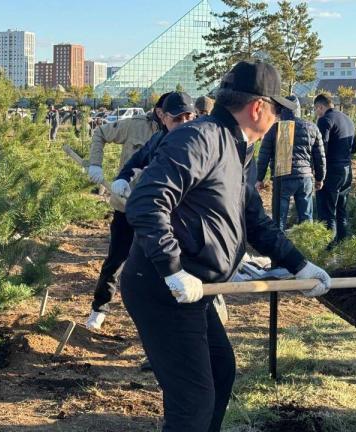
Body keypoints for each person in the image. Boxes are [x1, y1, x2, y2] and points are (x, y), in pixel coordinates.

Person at [120, 60, 331, 431]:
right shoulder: (199, 138)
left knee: (221, 371)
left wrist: (300, 265)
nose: (278, 119)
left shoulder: (235, 148)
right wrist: (172, 269)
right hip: (161, 287)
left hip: (196, 289)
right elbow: (146, 202)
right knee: (194, 400)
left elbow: (254, 220)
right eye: (278, 110)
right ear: (258, 108)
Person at [83, 94, 167, 330]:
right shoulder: (135, 126)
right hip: (127, 208)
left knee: (160, 265)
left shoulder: (185, 134)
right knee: (116, 260)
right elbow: (100, 133)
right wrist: (95, 164)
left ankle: (157, 317)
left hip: (162, 214)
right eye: (171, 115)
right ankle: (99, 308)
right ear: (160, 113)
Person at [256, 95, 326, 231]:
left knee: (279, 218)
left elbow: (263, 156)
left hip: (283, 177)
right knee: (306, 218)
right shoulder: (311, 127)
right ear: (298, 109)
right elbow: (320, 157)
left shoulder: (275, 128)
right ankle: (307, 247)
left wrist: (259, 178)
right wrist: (320, 178)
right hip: (305, 177)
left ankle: (279, 248)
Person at [314, 93, 356, 245]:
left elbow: (321, 149)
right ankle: (343, 245)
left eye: (315, 109)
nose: (316, 113)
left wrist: (317, 173)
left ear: (320, 106)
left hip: (331, 170)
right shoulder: (348, 120)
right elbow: (354, 149)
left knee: (327, 211)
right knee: (341, 209)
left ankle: (328, 250)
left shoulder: (324, 120)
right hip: (347, 169)